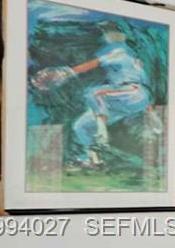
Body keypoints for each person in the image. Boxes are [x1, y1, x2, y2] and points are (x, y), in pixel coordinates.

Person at [31, 27, 156, 169]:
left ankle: (102, 135)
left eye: (107, 34)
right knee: (80, 125)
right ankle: (95, 161)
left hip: (134, 93)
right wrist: (149, 111)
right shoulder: (131, 60)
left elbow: (96, 63)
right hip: (126, 102)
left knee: (94, 93)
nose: (105, 37)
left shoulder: (120, 52)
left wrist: (67, 72)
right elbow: (146, 90)